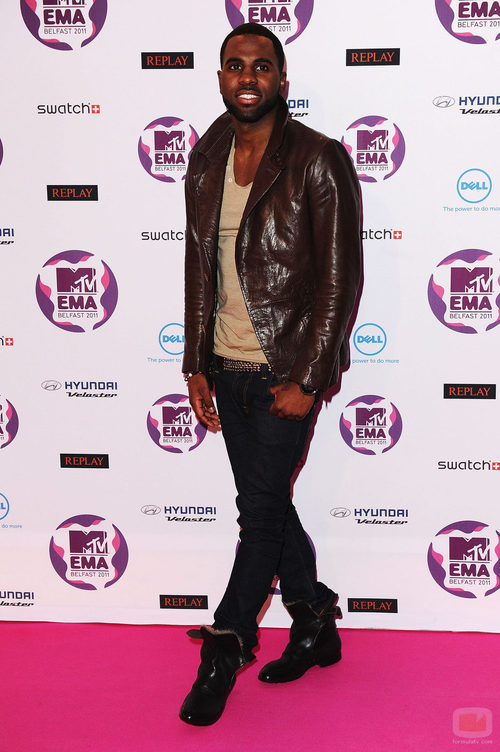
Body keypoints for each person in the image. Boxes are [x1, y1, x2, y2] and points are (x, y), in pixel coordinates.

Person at [180, 22, 361, 726]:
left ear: (282, 79)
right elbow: (199, 269)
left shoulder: (319, 158)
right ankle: (313, 622)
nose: (247, 77)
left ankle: (226, 645)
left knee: (256, 516)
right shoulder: (207, 156)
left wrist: (309, 379)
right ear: (221, 77)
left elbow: (340, 281)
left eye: (261, 66)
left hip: (285, 371)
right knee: (269, 508)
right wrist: (196, 362)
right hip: (225, 368)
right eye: (235, 65)